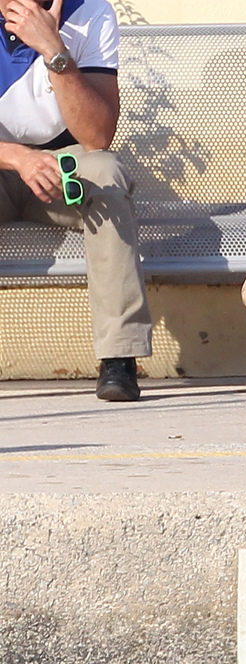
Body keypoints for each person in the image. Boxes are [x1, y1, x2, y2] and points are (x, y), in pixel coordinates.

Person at [0, 0, 151, 401]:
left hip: (64, 163)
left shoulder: (93, 13)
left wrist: (53, 50)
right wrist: (17, 157)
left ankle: (119, 357)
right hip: (4, 162)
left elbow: (97, 137)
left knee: (106, 173)